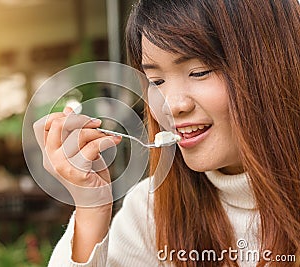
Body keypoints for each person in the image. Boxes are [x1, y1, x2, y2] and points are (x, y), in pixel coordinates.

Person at [33, 0, 300, 266]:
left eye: (199, 72)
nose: (171, 105)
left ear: (273, 67)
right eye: (156, 81)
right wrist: (92, 208)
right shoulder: (150, 212)